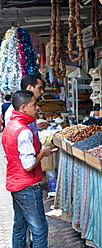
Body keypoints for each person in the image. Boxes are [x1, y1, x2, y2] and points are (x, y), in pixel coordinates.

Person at [2, 90, 56, 248]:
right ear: (24, 107)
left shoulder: (10, 126)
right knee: (39, 229)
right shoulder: (24, 132)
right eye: (34, 104)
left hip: (15, 183)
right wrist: (43, 153)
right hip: (27, 186)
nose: (37, 108)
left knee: (19, 226)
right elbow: (28, 164)